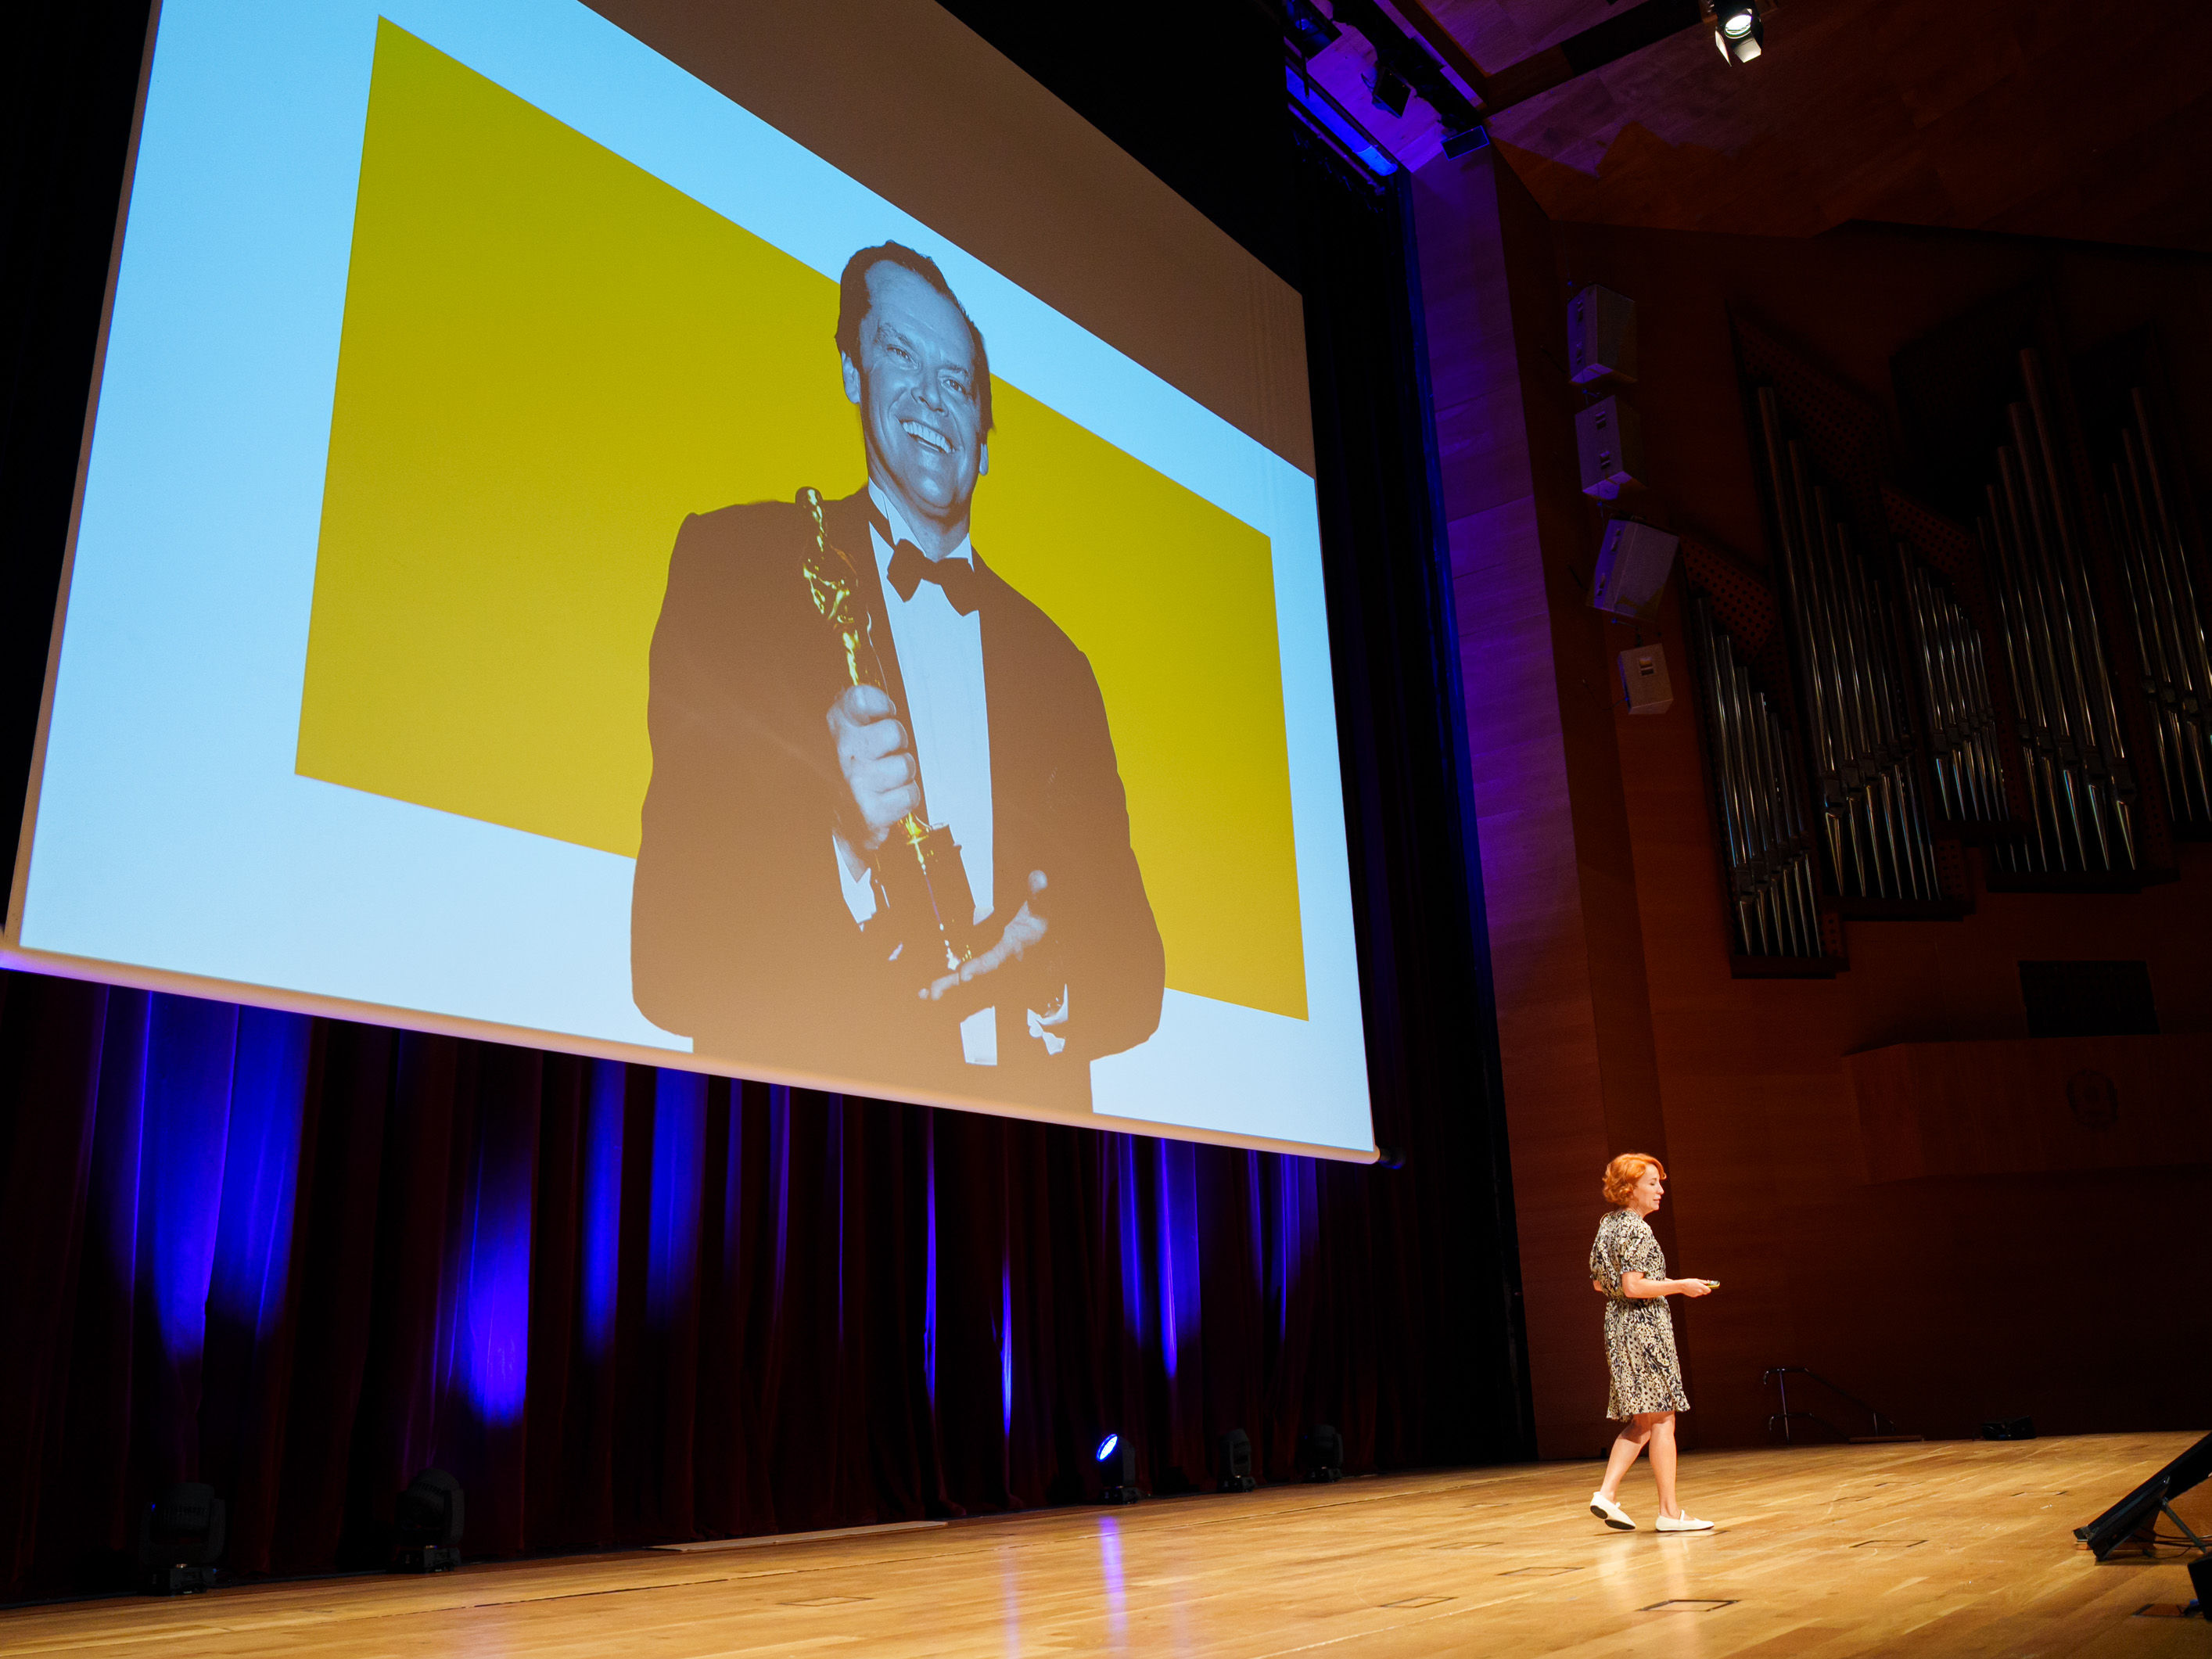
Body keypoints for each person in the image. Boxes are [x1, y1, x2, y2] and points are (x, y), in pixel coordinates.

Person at [630, 241, 1165, 1112]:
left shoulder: (1060, 670)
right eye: (900, 355)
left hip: (1021, 1156)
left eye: (958, 382)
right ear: (852, 373)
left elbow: (1138, 974)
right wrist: (841, 842)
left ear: (985, 443)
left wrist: (1049, 976)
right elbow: (668, 958)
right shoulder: (738, 569)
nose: (931, 398)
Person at [1585, 1153, 1715, 1533]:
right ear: (1630, 1189)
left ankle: (1606, 1494)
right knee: (1662, 1417)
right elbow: (1633, 1286)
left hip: (1619, 1326)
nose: (1660, 1190)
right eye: (1652, 1184)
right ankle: (1669, 1513)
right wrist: (1680, 1285)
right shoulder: (1637, 1230)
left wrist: (1654, 1286)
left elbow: (1599, 1283)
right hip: (1644, 1327)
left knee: (1644, 1420)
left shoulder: (1608, 1224)